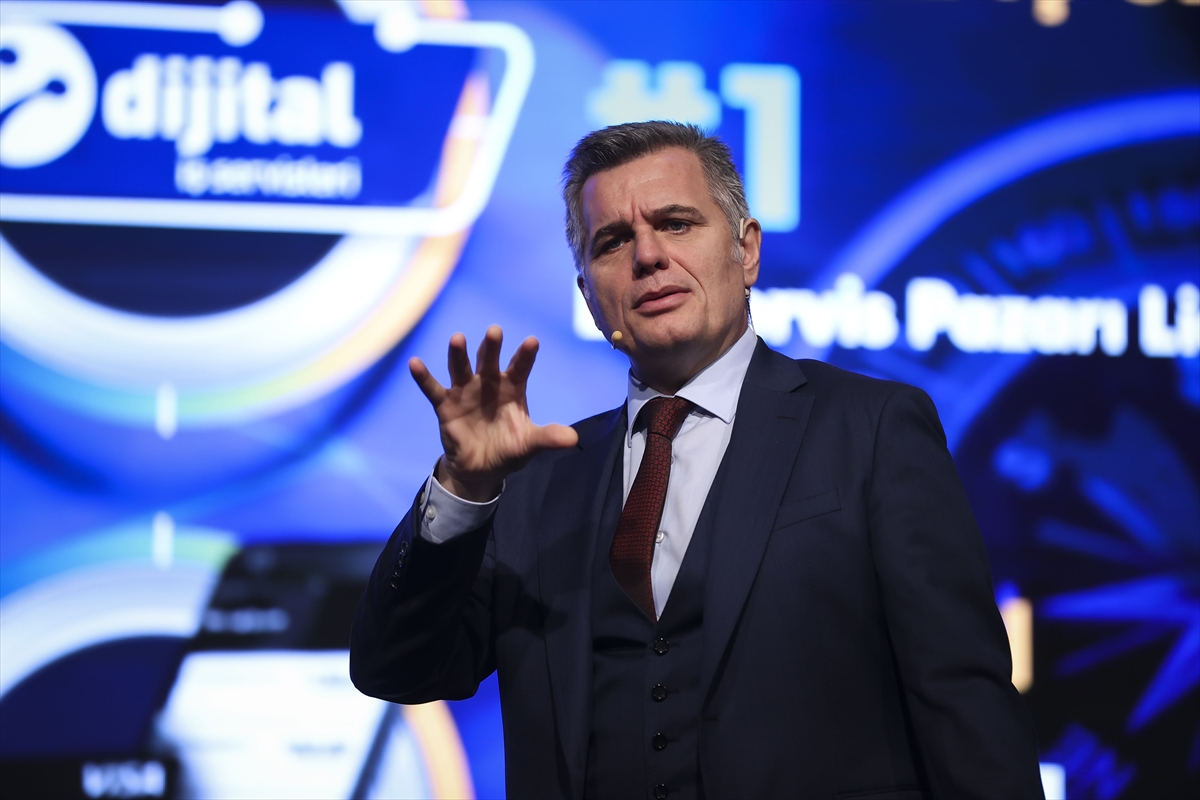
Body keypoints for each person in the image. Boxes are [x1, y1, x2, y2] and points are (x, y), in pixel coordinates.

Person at [350, 121, 1045, 800]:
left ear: (747, 251)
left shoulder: (871, 428)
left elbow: (962, 697)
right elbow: (398, 670)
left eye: (676, 224)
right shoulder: (531, 481)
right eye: (613, 241)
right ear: (588, 293)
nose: (648, 256)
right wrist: (464, 487)